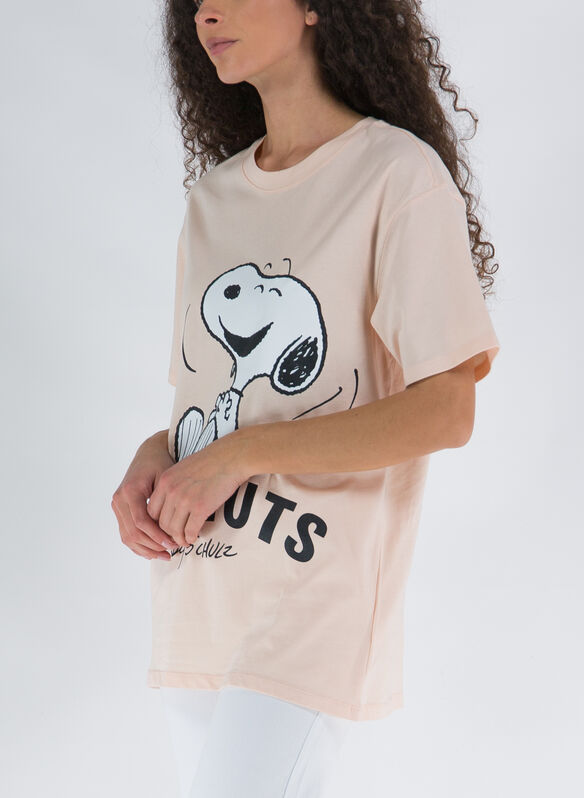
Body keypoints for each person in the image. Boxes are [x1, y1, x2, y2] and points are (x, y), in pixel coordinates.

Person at [110, 1, 501, 796]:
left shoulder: (396, 176)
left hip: (311, 597)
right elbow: (203, 405)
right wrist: (152, 462)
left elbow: (448, 407)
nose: (206, 12)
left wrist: (242, 455)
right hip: (197, 589)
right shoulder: (214, 199)